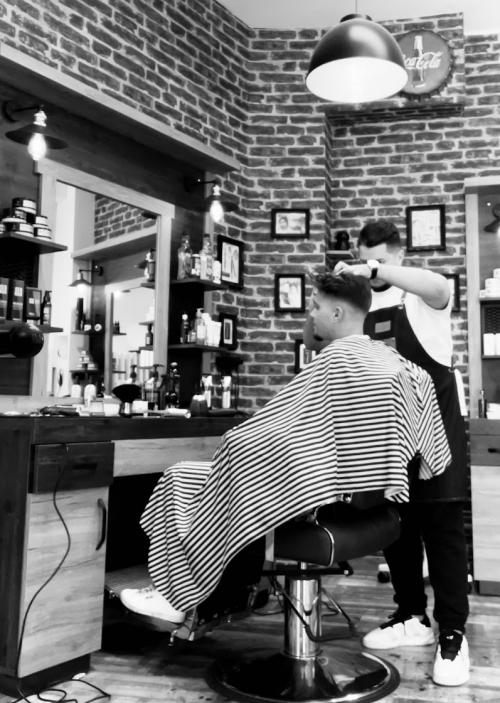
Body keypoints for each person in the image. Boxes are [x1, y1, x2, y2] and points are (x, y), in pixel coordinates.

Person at [120, 273, 450, 636]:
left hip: (323, 503)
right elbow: (426, 448)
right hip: (371, 503)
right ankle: (192, 594)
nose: (311, 314)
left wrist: (237, 443)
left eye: (315, 307)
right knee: (228, 476)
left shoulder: (337, 361)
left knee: (184, 474)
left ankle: (177, 597)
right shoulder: (395, 363)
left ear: (337, 314)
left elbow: (267, 432)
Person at [329, 219, 470, 687]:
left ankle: (453, 633)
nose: (371, 269)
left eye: (379, 260)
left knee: (442, 531)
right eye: (364, 259)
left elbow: (441, 286)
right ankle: (412, 616)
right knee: (398, 529)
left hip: (437, 432)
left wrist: (374, 269)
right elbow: (320, 341)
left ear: (396, 255)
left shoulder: (421, 298)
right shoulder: (363, 308)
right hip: (389, 438)